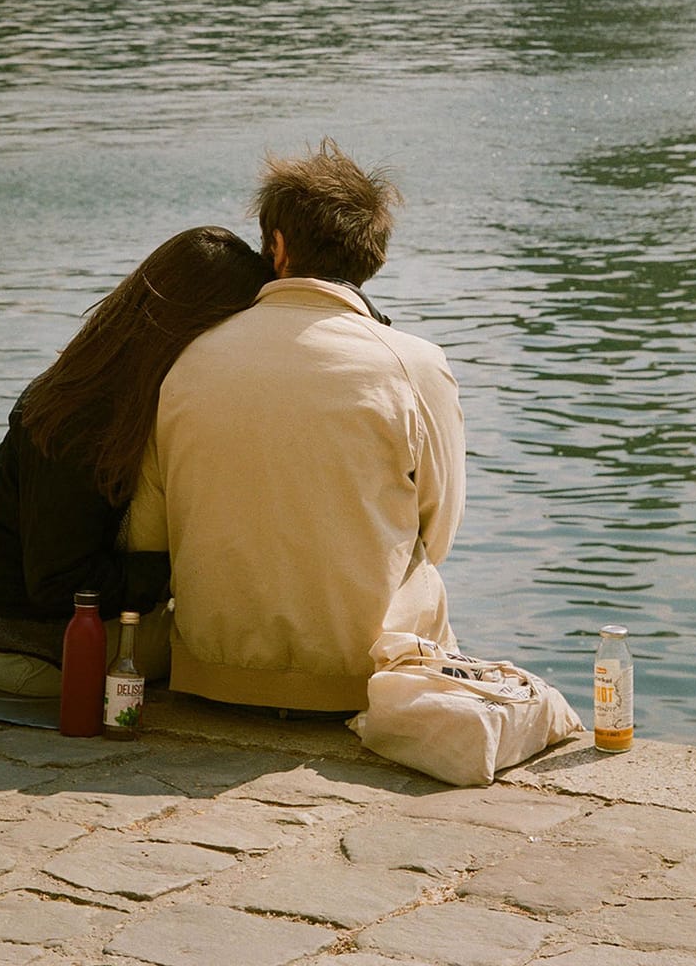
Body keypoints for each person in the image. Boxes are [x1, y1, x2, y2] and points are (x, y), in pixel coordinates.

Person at [129, 141, 465, 714]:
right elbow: (438, 534)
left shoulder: (188, 360)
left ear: (277, 247)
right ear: (374, 254)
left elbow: (148, 536)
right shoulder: (417, 365)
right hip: (360, 680)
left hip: (215, 676)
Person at [0, 226, 268, 696]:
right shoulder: (83, 420)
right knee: (240, 643)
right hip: (23, 644)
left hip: (10, 619)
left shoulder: (118, 380)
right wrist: (183, 572)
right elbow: (60, 584)